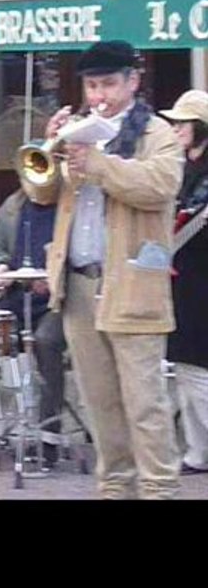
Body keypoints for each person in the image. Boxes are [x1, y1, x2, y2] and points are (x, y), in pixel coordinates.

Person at [42, 40, 182, 499]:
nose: (98, 94)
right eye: (90, 84)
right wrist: (54, 150)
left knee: (144, 405)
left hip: (132, 283)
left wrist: (98, 164)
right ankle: (114, 489)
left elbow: (159, 185)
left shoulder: (156, 132)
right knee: (99, 403)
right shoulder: (79, 131)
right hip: (79, 284)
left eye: (107, 83)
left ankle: (160, 490)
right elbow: (41, 194)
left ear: (132, 82)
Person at [0, 175, 67, 466]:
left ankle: (49, 435)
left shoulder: (70, 204)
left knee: (45, 342)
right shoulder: (12, 206)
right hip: (15, 298)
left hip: (59, 304)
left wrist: (54, 277)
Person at [158, 89, 208, 476]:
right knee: (184, 365)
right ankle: (197, 451)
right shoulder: (182, 167)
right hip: (179, 274)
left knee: (196, 368)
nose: (175, 129)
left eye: (182, 123)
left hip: (201, 279)